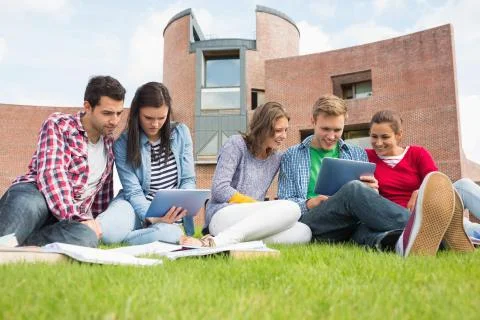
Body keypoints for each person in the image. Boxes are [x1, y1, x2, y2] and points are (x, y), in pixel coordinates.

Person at [278, 94, 471, 257]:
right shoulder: (291, 156)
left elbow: (370, 200)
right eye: (325, 129)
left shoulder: (356, 153)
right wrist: (310, 203)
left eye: (337, 130)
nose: (331, 136)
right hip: (316, 222)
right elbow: (284, 204)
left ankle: (426, 242)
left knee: (368, 232)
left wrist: (372, 190)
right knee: (353, 190)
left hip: (350, 225)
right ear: (313, 121)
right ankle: (428, 227)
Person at [0, 75, 126, 247]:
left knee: (85, 237)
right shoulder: (59, 125)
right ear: (87, 106)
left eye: (119, 113)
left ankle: (21, 244)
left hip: (63, 220)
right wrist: (76, 219)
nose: (115, 121)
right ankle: (10, 241)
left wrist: (92, 225)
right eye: (107, 113)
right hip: (38, 195)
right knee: (29, 206)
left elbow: (101, 198)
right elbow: (52, 175)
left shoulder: (109, 144)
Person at [181, 102, 312, 247]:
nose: (284, 136)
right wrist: (256, 206)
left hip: (252, 221)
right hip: (224, 214)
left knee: (303, 231)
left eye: (286, 130)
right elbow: (219, 189)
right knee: (291, 208)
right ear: (262, 128)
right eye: (278, 130)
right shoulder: (236, 144)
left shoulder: (276, 158)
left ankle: (233, 240)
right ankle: (215, 242)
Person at [96, 82, 196, 245]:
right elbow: (133, 192)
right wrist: (151, 217)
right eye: (148, 118)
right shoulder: (122, 143)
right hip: (133, 208)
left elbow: (188, 180)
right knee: (107, 233)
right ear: (137, 114)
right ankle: (150, 234)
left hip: (170, 215)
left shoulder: (181, 133)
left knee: (168, 232)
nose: (155, 124)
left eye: (161, 118)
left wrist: (180, 205)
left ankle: (144, 236)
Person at [367, 109, 476, 250]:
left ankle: (459, 229)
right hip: (400, 216)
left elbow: (437, 183)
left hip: (429, 208)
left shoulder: (417, 153)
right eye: (374, 137)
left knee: (464, 185)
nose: (379, 143)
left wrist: (420, 191)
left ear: (399, 135)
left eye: (385, 137)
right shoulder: (366, 157)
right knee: (464, 226)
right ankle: (460, 231)